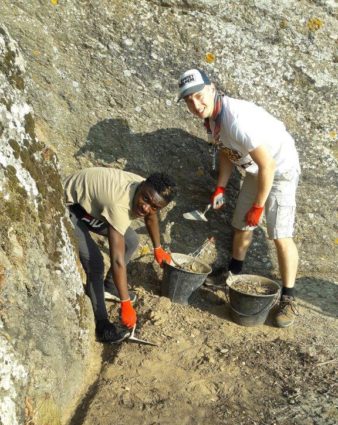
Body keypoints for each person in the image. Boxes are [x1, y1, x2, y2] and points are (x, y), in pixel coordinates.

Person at [177, 68, 300, 328]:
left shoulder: (236, 120)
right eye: (189, 101)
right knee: (241, 224)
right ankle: (233, 273)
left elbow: (269, 166)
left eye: (199, 96)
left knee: (279, 235)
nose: (195, 104)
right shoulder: (211, 119)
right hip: (257, 169)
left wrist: (258, 206)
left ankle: (288, 299)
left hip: (280, 168)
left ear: (211, 89)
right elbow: (225, 151)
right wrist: (220, 187)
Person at [64, 167, 176, 342]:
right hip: (68, 206)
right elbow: (117, 261)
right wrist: (126, 304)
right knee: (96, 262)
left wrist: (158, 248)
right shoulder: (118, 203)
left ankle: (110, 287)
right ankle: (102, 325)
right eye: (145, 199)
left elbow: (151, 217)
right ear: (142, 185)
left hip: (91, 207)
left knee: (131, 240)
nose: (146, 207)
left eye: (154, 206)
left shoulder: (149, 189)